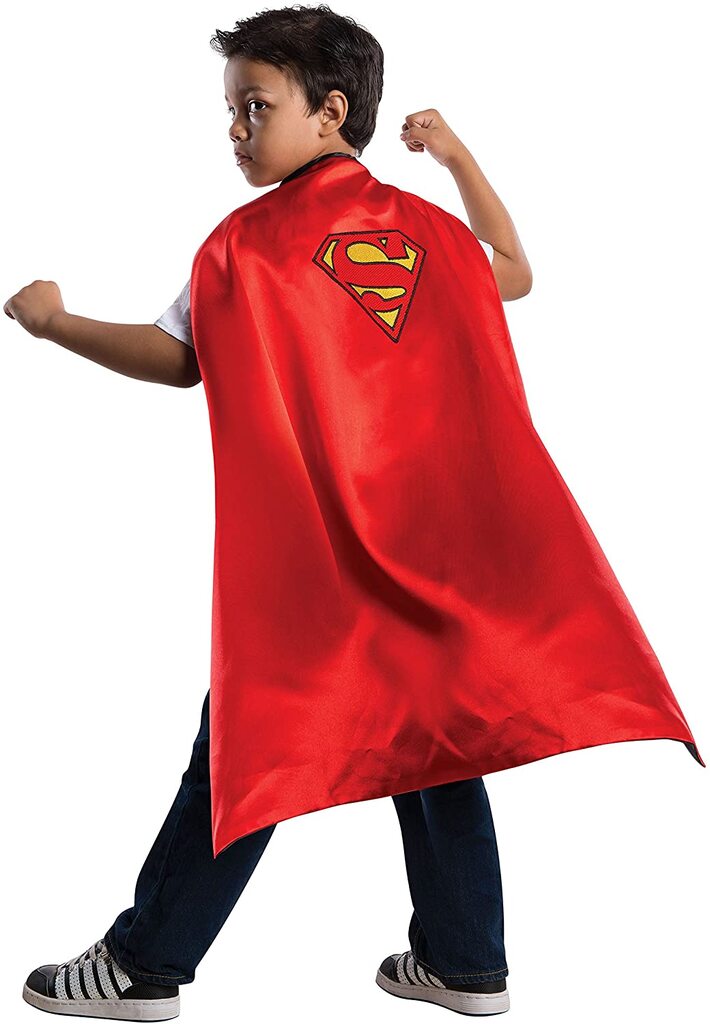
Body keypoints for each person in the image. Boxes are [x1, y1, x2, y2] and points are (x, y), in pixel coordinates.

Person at [5, 5, 702, 1021]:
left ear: (330, 112)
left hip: (324, 563)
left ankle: (145, 964)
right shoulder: (432, 237)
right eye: (230, 110)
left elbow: (179, 360)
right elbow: (513, 270)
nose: (235, 129)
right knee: (436, 732)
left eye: (254, 106)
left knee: (250, 744)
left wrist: (56, 322)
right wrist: (456, 159)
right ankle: (465, 960)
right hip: (429, 560)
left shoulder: (242, 249)